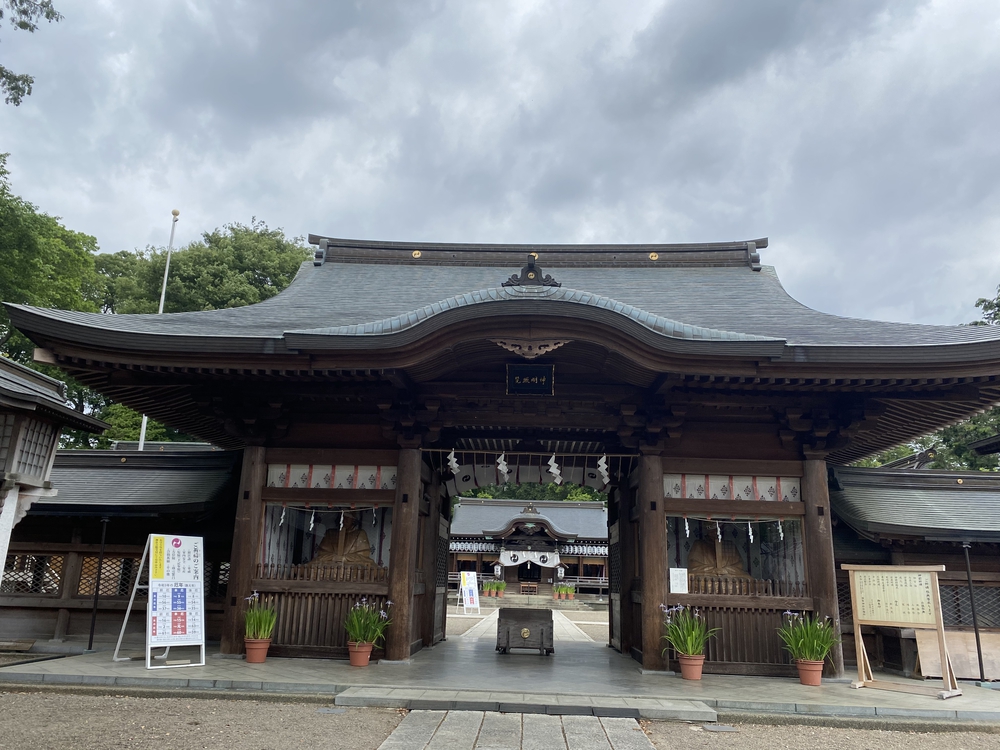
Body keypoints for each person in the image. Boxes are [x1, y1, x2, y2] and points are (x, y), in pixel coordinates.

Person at [311, 514, 375, 566]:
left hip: (352, 565)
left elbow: (364, 557)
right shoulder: (330, 533)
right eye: (343, 517)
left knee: (372, 568)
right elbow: (322, 554)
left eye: (348, 517)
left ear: (353, 519)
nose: (345, 519)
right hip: (331, 564)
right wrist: (334, 558)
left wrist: (344, 558)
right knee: (312, 565)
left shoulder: (360, 533)